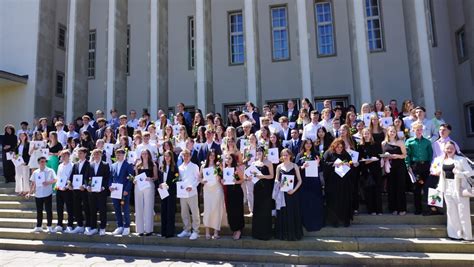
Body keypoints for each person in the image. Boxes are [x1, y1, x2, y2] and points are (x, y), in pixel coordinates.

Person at [435, 142, 473, 241]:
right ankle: (455, 234)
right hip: (446, 187)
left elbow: (471, 172)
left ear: (455, 149)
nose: (449, 150)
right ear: (444, 149)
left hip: (459, 188)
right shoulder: (442, 160)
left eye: (451, 148)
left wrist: (459, 173)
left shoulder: (461, 159)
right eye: (447, 148)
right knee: (451, 212)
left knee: (463, 212)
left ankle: (466, 235)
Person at [322, 138, 353, 227]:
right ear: (334, 146)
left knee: (344, 200)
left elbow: (350, 162)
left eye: (341, 147)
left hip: (344, 182)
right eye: (337, 147)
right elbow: (323, 164)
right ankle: (334, 221)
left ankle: (345, 220)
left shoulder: (345, 154)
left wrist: (348, 164)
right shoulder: (328, 153)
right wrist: (333, 164)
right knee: (333, 201)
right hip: (332, 183)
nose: (339, 149)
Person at [405, 122, 435, 215]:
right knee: (417, 188)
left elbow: (430, 154)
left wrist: (431, 166)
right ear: (413, 130)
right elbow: (407, 155)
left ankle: (432, 209)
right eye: (417, 129)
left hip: (426, 166)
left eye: (420, 129)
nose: (419, 131)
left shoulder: (427, 141)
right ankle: (418, 209)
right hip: (415, 167)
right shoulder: (409, 141)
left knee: (430, 187)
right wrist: (408, 165)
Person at [274, 149, 303, 240]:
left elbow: (300, 181)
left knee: (292, 213)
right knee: (282, 213)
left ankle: (293, 235)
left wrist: (294, 190)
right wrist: (278, 183)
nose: (285, 156)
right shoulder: (279, 167)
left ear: (290, 155)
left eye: (286, 155)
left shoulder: (295, 166)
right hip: (282, 194)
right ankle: (283, 235)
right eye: (283, 155)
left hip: (292, 194)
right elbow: (276, 179)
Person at [295, 139, 324, 231]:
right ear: (303, 145)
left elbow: (321, 169)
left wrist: (318, 164)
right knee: (305, 202)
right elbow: (295, 168)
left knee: (315, 202)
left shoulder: (316, 154)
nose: (308, 145)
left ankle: (316, 222)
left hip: (314, 182)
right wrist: (302, 167)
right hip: (304, 182)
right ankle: (305, 222)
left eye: (310, 143)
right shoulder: (299, 155)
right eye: (306, 143)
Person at [249, 147, 274, 240]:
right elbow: (250, 175)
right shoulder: (254, 163)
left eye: (260, 151)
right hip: (257, 188)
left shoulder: (268, 162)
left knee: (265, 209)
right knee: (258, 209)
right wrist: (249, 178)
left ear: (264, 153)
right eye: (257, 152)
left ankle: (265, 233)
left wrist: (262, 176)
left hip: (266, 188)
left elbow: (272, 176)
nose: (259, 153)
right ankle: (257, 233)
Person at [200, 149, 226, 239]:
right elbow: (199, 178)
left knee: (217, 210)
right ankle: (207, 232)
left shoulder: (218, 166)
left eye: (213, 155)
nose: (212, 156)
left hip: (217, 189)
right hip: (207, 190)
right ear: (208, 155)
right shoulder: (203, 166)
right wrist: (202, 181)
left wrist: (220, 176)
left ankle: (216, 232)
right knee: (208, 210)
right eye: (210, 155)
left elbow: (222, 177)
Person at [382, 126, 408, 215]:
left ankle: (402, 209)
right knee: (391, 187)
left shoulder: (400, 142)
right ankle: (393, 208)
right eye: (390, 131)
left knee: (400, 187)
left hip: (400, 166)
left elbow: (405, 155)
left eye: (394, 131)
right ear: (387, 132)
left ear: (396, 133)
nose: (392, 133)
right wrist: (385, 157)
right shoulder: (384, 143)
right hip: (389, 167)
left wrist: (396, 156)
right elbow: (382, 155)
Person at [358, 129, 383, 215]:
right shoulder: (360, 146)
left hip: (376, 170)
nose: (366, 135)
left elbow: (379, 156)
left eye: (368, 133)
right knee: (369, 191)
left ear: (371, 135)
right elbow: (359, 159)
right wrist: (366, 161)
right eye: (365, 134)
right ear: (362, 135)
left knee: (377, 190)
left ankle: (379, 210)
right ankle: (371, 210)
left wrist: (373, 160)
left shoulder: (376, 144)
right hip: (366, 171)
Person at [109, 148, 134, 236]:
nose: (118, 156)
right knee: (116, 208)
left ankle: (127, 226)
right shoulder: (113, 165)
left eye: (120, 154)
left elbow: (131, 179)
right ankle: (119, 226)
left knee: (125, 209)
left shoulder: (128, 165)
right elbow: (110, 178)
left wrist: (127, 190)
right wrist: (110, 186)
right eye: (117, 154)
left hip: (124, 192)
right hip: (115, 191)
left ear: (124, 155)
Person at [177, 149, 201, 240]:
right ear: (182, 156)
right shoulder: (180, 167)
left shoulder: (194, 166)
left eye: (187, 155)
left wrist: (192, 186)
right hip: (183, 193)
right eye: (184, 155)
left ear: (190, 156)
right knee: (184, 213)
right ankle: (186, 230)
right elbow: (179, 180)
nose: (186, 157)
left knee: (195, 212)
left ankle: (196, 231)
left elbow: (198, 179)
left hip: (192, 193)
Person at [28, 156, 56, 232]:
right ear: (38, 163)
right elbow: (33, 183)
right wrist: (30, 192)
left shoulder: (50, 170)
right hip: (38, 194)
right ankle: (38, 226)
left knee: (48, 210)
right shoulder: (35, 172)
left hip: (47, 193)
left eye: (45, 161)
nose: (43, 163)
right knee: (39, 211)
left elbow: (55, 180)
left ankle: (49, 226)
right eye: (42, 161)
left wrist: (48, 182)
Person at [134, 149, 157, 236]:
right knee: (139, 207)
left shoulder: (153, 165)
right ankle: (140, 229)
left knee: (149, 207)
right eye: (143, 154)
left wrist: (150, 178)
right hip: (139, 187)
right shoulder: (138, 165)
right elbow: (136, 177)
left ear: (149, 155)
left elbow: (156, 177)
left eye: (146, 154)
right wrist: (134, 181)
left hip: (149, 186)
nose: (144, 155)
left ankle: (148, 229)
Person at [69, 147, 92, 234]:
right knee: (76, 207)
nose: (79, 155)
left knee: (86, 207)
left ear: (85, 154)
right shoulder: (75, 164)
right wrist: (70, 184)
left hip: (84, 189)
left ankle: (88, 226)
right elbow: (71, 176)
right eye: (78, 153)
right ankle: (80, 225)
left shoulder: (89, 164)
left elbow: (90, 177)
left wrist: (85, 185)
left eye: (81, 153)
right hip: (76, 189)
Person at [222, 153, 245, 240]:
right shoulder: (225, 169)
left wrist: (236, 181)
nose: (228, 160)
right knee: (231, 212)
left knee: (238, 211)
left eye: (230, 158)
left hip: (237, 192)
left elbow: (242, 179)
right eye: (227, 158)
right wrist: (222, 180)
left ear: (233, 160)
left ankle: (239, 230)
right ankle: (234, 229)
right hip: (229, 193)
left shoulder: (237, 168)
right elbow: (223, 182)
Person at [158, 150, 179, 238]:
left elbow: (176, 180)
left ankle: (170, 232)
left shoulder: (174, 167)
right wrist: (160, 184)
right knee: (164, 211)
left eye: (168, 156)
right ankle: (163, 232)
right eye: (165, 156)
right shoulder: (162, 167)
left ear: (171, 158)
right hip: (163, 192)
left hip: (171, 192)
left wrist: (168, 185)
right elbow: (159, 179)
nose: (167, 158)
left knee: (170, 212)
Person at [54, 150, 74, 233]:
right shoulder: (60, 166)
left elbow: (72, 177)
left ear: (68, 156)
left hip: (68, 189)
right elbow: (58, 177)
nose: (62, 157)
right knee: (59, 207)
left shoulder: (72, 165)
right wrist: (57, 186)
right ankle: (59, 224)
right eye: (62, 156)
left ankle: (70, 225)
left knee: (69, 208)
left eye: (64, 156)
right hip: (59, 189)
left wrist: (66, 186)